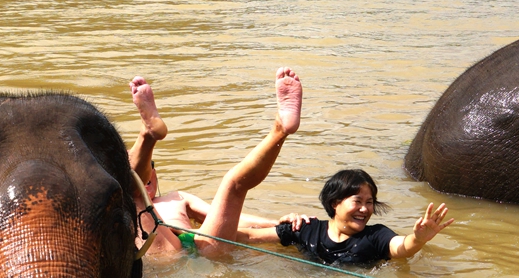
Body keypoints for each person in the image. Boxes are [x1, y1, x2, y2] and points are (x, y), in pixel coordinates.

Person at [127, 68, 302, 256]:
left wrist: (278, 223)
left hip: (205, 246)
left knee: (233, 183)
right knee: (134, 195)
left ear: (154, 176)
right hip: (166, 252)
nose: (146, 182)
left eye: (148, 175)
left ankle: (280, 130)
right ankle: (147, 134)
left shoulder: (176, 198)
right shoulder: (128, 206)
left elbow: (224, 217)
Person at [237, 169, 455, 265]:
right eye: (357, 201)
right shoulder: (305, 228)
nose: (364, 209)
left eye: (369, 202)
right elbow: (248, 237)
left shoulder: (375, 236)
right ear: (335, 203)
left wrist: (417, 239)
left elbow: (401, 248)